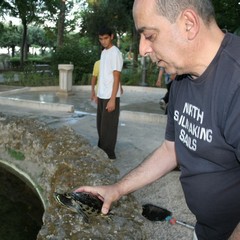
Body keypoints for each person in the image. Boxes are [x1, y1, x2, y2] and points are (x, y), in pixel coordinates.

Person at [75, 1, 240, 239]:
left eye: (149, 35)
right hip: (205, 230)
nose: (143, 49)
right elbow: (170, 149)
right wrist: (117, 189)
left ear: (188, 24)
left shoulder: (235, 80)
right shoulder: (181, 79)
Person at [95, 26, 123, 159]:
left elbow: (116, 76)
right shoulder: (104, 52)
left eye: (106, 38)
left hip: (110, 96)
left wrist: (113, 99)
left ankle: (109, 155)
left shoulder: (115, 53)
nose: (103, 41)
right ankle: (101, 151)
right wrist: (96, 93)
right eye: (101, 39)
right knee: (100, 125)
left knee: (109, 127)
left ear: (111, 36)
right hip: (102, 94)